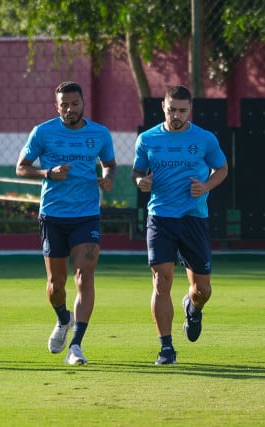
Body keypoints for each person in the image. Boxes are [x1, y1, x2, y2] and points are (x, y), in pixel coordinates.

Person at [16, 81, 117, 365]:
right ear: (56, 106)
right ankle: (63, 319)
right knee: (55, 285)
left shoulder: (99, 133)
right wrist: (48, 172)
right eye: (64, 105)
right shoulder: (43, 132)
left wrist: (108, 178)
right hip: (53, 216)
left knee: (85, 276)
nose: (70, 109)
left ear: (83, 103)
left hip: (86, 215)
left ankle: (76, 346)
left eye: (74, 104)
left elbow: (109, 163)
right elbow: (21, 167)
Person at [132, 85, 228, 365]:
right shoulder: (147, 139)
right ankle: (166, 348)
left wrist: (206, 186)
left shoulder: (205, 139)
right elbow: (138, 171)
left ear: (190, 111)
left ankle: (193, 308)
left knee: (202, 290)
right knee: (161, 281)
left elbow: (221, 168)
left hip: (193, 218)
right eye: (171, 109)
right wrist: (141, 181)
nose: (176, 115)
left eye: (182, 110)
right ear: (163, 106)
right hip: (160, 217)